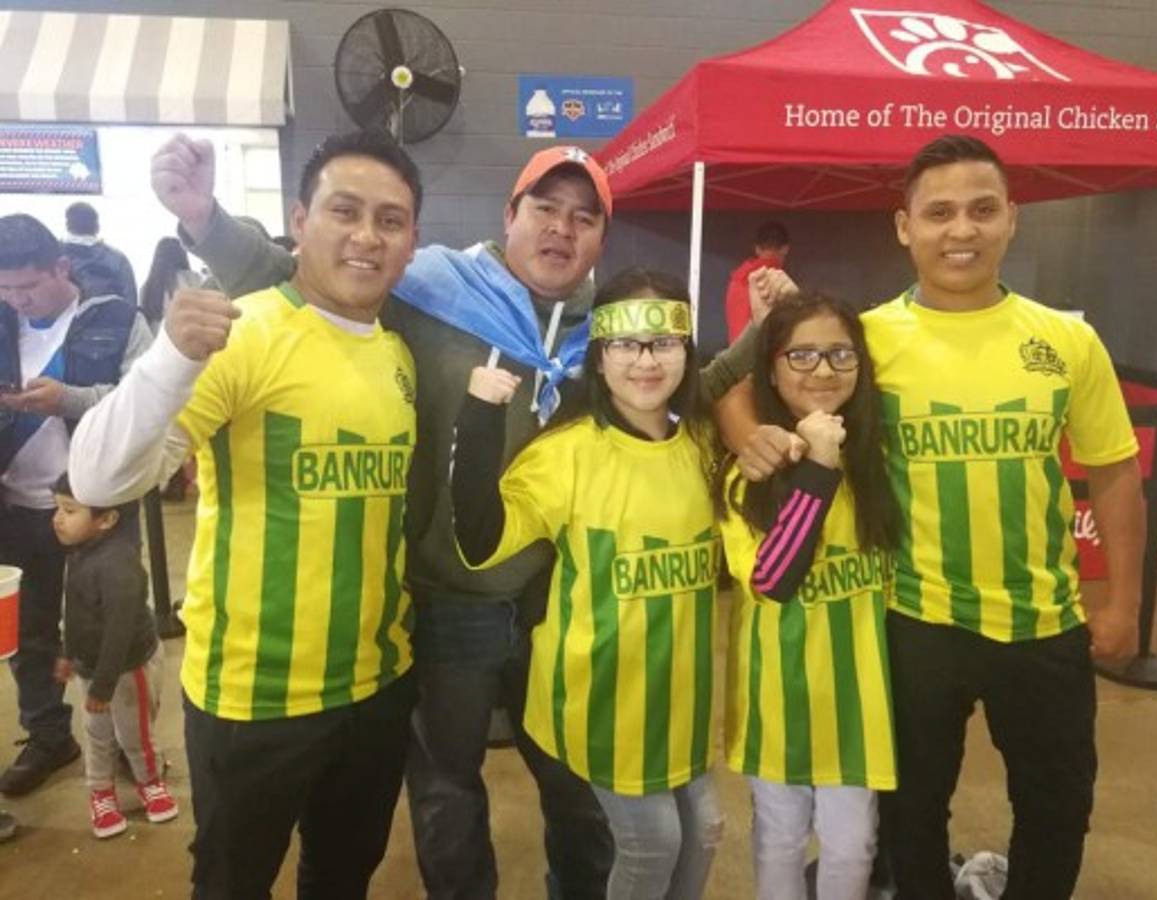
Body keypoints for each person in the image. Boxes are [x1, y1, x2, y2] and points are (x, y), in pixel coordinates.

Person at [160, 136, 759, 899]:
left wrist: (757, 361)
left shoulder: (609, 331)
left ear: (600, 239)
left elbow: (688, 391)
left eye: (583, 218)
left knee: (574, 779)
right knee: (447, 786)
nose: (561, 228)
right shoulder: (433, 289)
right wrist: (205, 221)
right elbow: (298, 275)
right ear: (509, 216)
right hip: (448, 595)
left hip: (555, 597)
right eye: (545, 208)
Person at [720, 135, 1145, 900]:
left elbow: (1113, 469)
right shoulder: (868, 340)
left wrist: (1122, 602)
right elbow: (740, 384)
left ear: (1011, 218)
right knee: (910, 813)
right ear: (903, 226)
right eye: (939, 212)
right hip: (913, 621)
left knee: (1056, 806)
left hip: (1042, 621)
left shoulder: (1065, 340)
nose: (961, 230)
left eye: (981, 210)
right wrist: (750, 437)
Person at [69, 130, 423, 898]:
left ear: (411, 241)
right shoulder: (244, 332)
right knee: (232, 884)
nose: (367, 236)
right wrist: (167, 359)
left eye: (390, 220)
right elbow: (96, 475)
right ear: (300, 221)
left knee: (343, 877)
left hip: (378, 684)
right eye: (345, 211)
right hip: (254, 696)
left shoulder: (399, 353)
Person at [454, 268, 724, 900]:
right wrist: (481, 414)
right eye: (625, 343)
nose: (645, 361)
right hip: (601, 696)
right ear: (599, 356)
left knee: (706, 829)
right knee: (653, 842)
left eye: (663, 342)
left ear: (686, 350)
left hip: (680, 695)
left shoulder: (704, 442)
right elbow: (480, 541)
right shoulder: (568, 452)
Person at [716, 295, 899, 900]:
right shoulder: (749, 474)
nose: (822, 370)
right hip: (779, 695)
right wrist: (819, 465)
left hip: (859, 698)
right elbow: (773, 578)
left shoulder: (878, 465)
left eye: (840, 354)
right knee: (780, 839)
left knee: (853, 846)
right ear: (770, 371)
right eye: (801, 355)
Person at [0, 214, 151, 798]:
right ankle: (47, 736)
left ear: (61, 267)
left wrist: (70, 398)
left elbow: (144, 403)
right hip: (17, 504)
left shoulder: (118, 319)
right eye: (5, 289)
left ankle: (129, 741)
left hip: (98, 508)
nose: (17, 300)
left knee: (116, 627)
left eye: (27, 287)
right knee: (30, 631)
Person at [51, 472, 176, 840]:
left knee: (135, 733)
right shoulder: (79, 551)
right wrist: (68, 653)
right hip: (94, 669)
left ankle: (149, 782)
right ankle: (101, 792)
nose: (57, 519)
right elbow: (74, 610)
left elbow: (119, 632)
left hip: (127, 668)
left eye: (69, 511)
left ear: (106, 519)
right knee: (97, 732)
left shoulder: (118, 565)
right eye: (57, 509)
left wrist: (103, 687)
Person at [62, 202, 138, 307]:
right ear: (97, 226)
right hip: (110, 316)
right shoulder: (117, 259)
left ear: (67, 225)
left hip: (68, 316)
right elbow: (130, 301)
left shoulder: (54, 257)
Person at [725, 221, 790, 344]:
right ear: (785, 249)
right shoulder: (778, 282)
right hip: (763, 353)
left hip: (736, 353)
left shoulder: (735, 281)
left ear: (757, 249)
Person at [139, 237, 192, 334]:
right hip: (189, 338)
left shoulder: (146, 289)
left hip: (157, 341)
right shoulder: (191, 279)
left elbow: (144, 325)